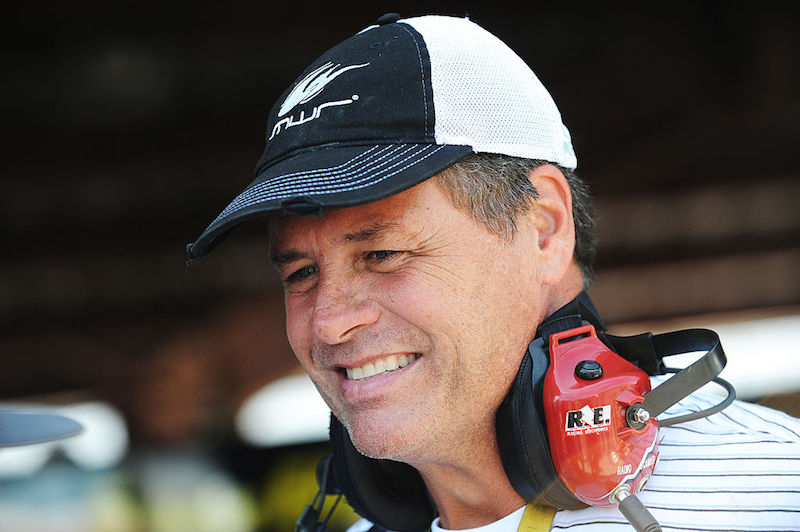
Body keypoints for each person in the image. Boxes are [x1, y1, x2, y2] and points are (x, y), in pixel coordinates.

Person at [187, 14, 800, 532]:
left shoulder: (778, 496)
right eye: (300, 273)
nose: (330, 322)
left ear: (544, 229)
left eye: (381, 254)